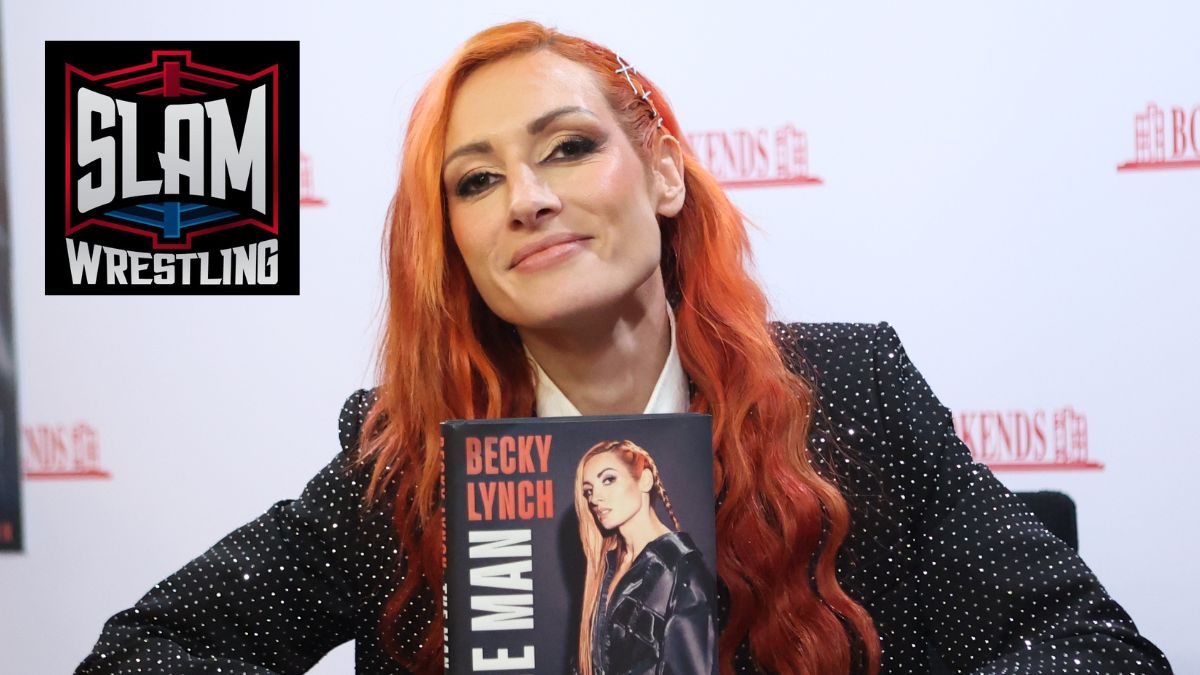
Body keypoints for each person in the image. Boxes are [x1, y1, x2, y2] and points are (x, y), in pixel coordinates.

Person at [76, 20, 1173, 675]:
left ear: (659, 175)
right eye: (477, 179)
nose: (531, 199)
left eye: (567, 147)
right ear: (455, 242)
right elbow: (143, 653)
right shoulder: (408, 463)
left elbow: (1091, 649)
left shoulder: (853, 394)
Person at [574, 440, 717, 675]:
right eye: (588, 491)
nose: (594, 499)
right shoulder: (606, 567)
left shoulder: (683, 572)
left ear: (646, 480)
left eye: (608, 480)